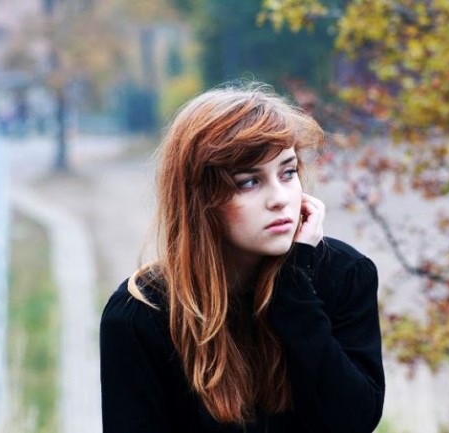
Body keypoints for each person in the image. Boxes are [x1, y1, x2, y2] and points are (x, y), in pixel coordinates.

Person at [100, 83, 385, 433]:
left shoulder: (343, 276)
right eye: (249, 182)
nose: (280, 199)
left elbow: (354, 421)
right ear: (200, 200)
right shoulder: (141, 315)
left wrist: (295, 291)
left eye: (288, 172)